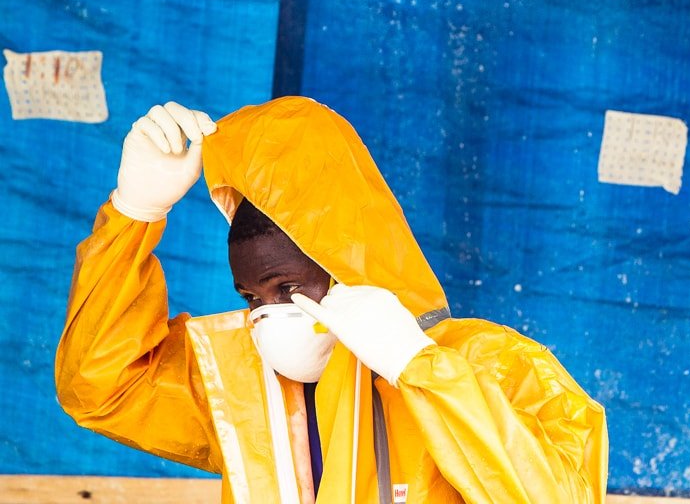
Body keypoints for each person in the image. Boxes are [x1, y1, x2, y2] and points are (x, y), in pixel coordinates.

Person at [55, 97, 608, 503]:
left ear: (351, 263)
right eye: (251, 297)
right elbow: (101, 386)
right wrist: (134, 214)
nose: (269, 315)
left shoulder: (490, 365)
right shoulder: (250, 388)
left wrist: (421, 369)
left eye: (289, 289)